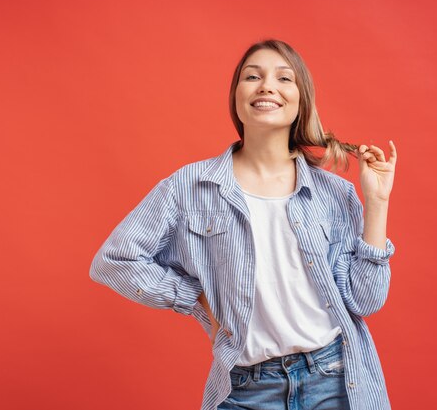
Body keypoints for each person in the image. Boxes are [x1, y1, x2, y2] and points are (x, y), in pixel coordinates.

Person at [89, 38, 397, 410]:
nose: (266, 85)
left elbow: (366, 299)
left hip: (333, 379)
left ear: (301, 100)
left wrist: (376, 203)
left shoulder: (334, 194)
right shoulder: (190, 187)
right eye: (253, 76)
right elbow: (114, 260)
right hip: (247, 387)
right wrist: (191, 297)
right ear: (237, 96)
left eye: (284, 79)